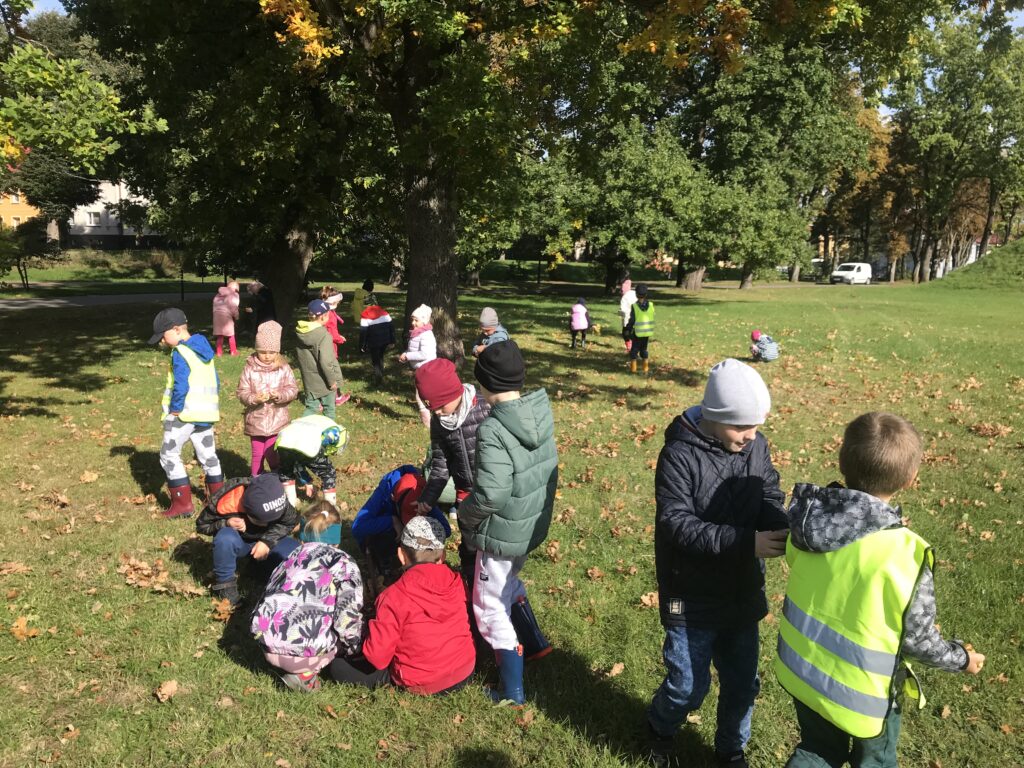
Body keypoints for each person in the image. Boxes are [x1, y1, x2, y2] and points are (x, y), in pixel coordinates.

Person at [776, 412, 985, 768]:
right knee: (876, 760)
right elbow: (918, 640)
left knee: (816, 750)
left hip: (805, 672)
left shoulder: (810, 525)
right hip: (867, 697)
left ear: (842, 463)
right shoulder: (905, 553)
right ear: (911, 478)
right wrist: (962, 659)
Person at [646, 358, 788, 768]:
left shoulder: (755, 446)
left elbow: (768, 494)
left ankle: (730, 750)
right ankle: (660, 727)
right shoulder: (679, 455)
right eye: (742, 427)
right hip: (690, 593)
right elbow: (677, 525)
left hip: (741, 589)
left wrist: (779, 527)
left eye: (757, 427)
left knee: (743, 684)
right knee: (688, 687)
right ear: (714, 416)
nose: (751, 437)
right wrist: (748, 543)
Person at [459, 340, 559, 704]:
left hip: (500, 531)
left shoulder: (494, 429)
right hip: (527, 525)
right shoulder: (538, 414)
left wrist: (466, 518)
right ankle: (534, 644)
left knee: (488, 603)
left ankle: (512, 689)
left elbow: (492, 493)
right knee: (510, 581)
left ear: (484, 385)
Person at [326, 516, 476, 695]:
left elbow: (377, 657)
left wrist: (371, 627)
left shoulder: (394, 596)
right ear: (442, 555)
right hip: (464, 670)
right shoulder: (459, 582)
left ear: (401, 555)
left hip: (421, 681)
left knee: (337, 667)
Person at [251, 500, 364, 692]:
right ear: (337, 540)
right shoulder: (344, 564)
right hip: (305, 653)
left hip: (266, 644)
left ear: (302, 538)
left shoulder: (290, 557)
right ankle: (305, 675)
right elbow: (347, 615)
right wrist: (355, 647)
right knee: (355, 627)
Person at [413, 358, 490, 583]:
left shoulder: (485, 408)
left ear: (453, 392)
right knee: (470, 545)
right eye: (430, 407)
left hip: (492, 490)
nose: (436, 413)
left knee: (493, 545)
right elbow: (440, 465)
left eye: (438, 405)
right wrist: (427, 498)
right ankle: (469, 580)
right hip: (466, 494)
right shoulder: (441, 421)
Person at [148, 307, 224, 519]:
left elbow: (181, 384)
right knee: (208, 455)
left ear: (176, 330)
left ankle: (182, 505)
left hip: (184, 414)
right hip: (206, 414)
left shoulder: (180, 352)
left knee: (169, 454)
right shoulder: (204, 351)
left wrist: (175, 408)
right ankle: (219, 503)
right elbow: (215, 381)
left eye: (164, 336)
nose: (162, 341)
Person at [195, 473, 300, 606]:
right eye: (259, 521)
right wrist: (226, 523)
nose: (264, 525)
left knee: (296, 553)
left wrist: (267, 541)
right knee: (225, 538)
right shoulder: (228, 498)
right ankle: (224, 586)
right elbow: (202, 525)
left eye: (271, 520)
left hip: (267, 540)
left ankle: (259, 570)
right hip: (240, 541)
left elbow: (290, 522)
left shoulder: (276, 497)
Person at [351, 465, 451, 589]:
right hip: (387, 534)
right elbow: (357, 527)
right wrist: (392, 520)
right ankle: (386, 567)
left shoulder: (420, 491)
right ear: (394, 499)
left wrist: (427, 511)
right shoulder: (385, 492)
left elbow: (446, 530)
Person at [236, 321, 298, 476]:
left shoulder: (283, 368)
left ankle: (278, 477)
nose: (267, 356)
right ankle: (256, 480)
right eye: (263, 352)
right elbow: (242, 391)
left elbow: (292, 389)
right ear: (257, 350)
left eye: (271, 352)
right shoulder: (250, 368)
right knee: (257, 454)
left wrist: (280, 395)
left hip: (277, 419)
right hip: (256, 418)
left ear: (277, 351)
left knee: (271, 452)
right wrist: (254, 398)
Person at [275, 413, 349, 507]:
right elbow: (327, 441)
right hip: (307, 444)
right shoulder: (336, 431)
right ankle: (330, 507)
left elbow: (297, 462)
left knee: (287, 470)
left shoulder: (316, 419)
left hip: (283, 441)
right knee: (328, 472)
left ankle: (291, 502)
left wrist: (307, 482)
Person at [296, 299, 348, 418]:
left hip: (309, 380)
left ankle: (303, 431)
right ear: (324, 316)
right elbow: (326, 361)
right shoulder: (323, 335)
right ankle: (329, 435)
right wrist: (332, 381)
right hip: (325, 382)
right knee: (329, 410)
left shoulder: (301, 332)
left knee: (311, 408)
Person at [398, 303, 437, 427]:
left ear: (424, 321)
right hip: (420, 369)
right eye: (412, 320)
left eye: (416, 320)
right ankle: (430, 419)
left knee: (422, 394)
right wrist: (406, 355)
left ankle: (429, 422)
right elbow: (413, 351)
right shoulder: (417, 333)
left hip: (427, 369)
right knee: (422, 394)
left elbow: (424, 353)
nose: (413, 323)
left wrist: (408, 356)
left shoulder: (426, 335)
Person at [358, 302, 396, 384]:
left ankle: (378, 378)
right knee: (381, 356)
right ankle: (381, 373)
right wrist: (392, 340)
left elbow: (363, 332)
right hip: (385, 340)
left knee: (375, 360)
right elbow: (391, 328)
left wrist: (362, 345)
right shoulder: (385, 314)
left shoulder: (365, 317)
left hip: (373, 341)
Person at [211, 281, 240, 357]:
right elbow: (234, 307)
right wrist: (236, 316)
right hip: (226, 316)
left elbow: (214, 304)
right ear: (235, 288)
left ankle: (219, 352)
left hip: (217, 315)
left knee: (220, 335)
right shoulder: (234, 295)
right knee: (231, 335)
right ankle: (233, 351)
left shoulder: (218, 294)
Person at [319, 286, 347, 359]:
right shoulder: (330, 315)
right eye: (338, 302)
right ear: (334, 302)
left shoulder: (321, 311)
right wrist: (340, 339)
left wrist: (338, 335)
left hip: (319, 342)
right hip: (329, 347)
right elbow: (332, 333)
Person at [619, 278, 638, 353]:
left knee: (626, 332)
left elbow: (622, 309)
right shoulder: (634, 293)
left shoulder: (624, 297)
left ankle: (629, 346)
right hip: (637, 317)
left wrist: (620, 315)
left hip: (627, 317)